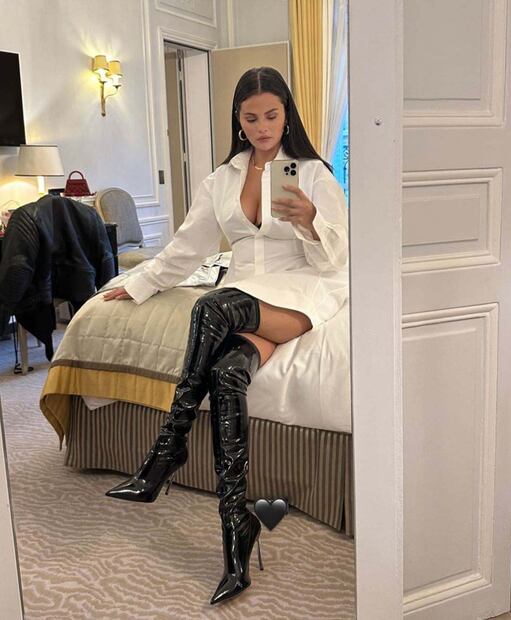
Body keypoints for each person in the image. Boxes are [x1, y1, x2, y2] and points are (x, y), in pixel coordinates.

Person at [103, 66, 349, 605]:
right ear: (238, 120)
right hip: (246, 296)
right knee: (227, 373)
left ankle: (167, 451)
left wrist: (310, 219)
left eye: (272, 115)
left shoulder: (312, 173)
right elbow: (186, 248)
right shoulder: (221, 179)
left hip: (301, 289)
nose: (262, 127)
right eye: (251, 117)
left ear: (287, 115)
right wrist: (137, 283)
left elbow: (339, 255)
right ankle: (237, 529)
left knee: (212, 305)